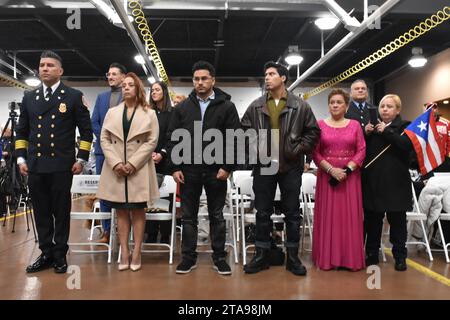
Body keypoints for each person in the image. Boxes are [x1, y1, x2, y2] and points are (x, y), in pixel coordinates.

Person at [15, 50, 93, 274]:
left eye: (49, 65)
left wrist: (81, 159)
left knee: (60, 211)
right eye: (41, 65)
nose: (44, 69)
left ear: (60, 71)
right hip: (36, 165)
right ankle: (46, 253)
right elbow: (21, 132)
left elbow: (86, 132)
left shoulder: (73, 96)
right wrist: (21, 157)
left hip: (62, 165)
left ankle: (60, 255)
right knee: (41, 211)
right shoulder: (29, 97)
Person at [241, 61, 320, 276]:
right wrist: (258, 150)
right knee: (262, 212)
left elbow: (313, 132)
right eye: (265, 74)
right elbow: (244, 131)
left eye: (271, 74)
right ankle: (261, 255)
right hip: (264, 166)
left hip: (291, 166)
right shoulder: (256, 105)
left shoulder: (300, 106)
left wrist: (296, 149)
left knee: (292, 213)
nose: (266, 78)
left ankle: (293, 258)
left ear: (283, 78)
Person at [166, 61, 240, 275]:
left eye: (204, 78)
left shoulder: (227, 106)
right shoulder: (182, 108)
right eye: (196, 79)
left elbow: (234, 138)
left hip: (216, 170)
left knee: (216, 215)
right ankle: (188, 258)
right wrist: (175, 167)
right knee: (188, 217)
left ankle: (219, 258)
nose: (200, 82)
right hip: (189, 170)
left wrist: (227, 167)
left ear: (213, 80)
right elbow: (172, 138)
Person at [96, 72, 159, 272]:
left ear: (138, 88)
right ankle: (124, 251)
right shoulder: (112, 112)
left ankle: (137, 251)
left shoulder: (149, 113)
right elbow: (104, 139)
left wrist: (133, 163)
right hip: (115, 169)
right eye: (124, 85)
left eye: (130, 85)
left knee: (138, 211)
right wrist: (115, 163)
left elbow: (152, 140)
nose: (126, 88)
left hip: (138, 169)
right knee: (121, 212)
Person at [312, 89, 366, 271]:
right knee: (328, 218)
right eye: (332, 102)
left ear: (347, 106)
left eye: (339, 102)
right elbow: (315, 153)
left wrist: (347, 170)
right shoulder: (319, 125)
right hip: (327, 178)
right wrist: (331, 170)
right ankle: (327, 259)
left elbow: (362, 150)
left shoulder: (355, 125)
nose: (335, 105)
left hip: (349, 179)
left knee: (349, 218)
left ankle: (349, 259)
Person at [362, 94, 413, 272]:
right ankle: (371, 254)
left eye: (389, 106)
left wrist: (387, 131)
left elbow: (406, 145)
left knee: (398, 224)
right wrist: (365, 133)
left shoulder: (405, 126)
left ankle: (400, 257)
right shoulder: (372, 128)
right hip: (373, 184)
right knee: (372, 223)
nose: (384, 109)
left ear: (397, 110)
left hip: (396, 185)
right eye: (382, 106)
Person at [91, 62, 127, 244]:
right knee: (104, 192)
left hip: (123, 152)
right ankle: (106, 230)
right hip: (102, 153)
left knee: (122, 192)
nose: (110, 77)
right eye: (109, 74)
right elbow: (94, 122)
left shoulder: (129, 96)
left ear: (123, 77)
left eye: (114, 74)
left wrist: (116, 141)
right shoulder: (101, 97)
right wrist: (106, 140)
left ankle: (122, 232)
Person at [146, 81, 174, 244]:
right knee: (149, 198)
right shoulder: (147, 112)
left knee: (165, 198)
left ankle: (165, 234)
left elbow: (172, 137)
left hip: (166, 161)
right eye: (152, 90)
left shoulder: (172, 113)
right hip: (148, 161)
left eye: (157, 90)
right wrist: (148, 153)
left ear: (164, 92)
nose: (153, 93)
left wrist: (162, 153)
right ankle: (150, 233)